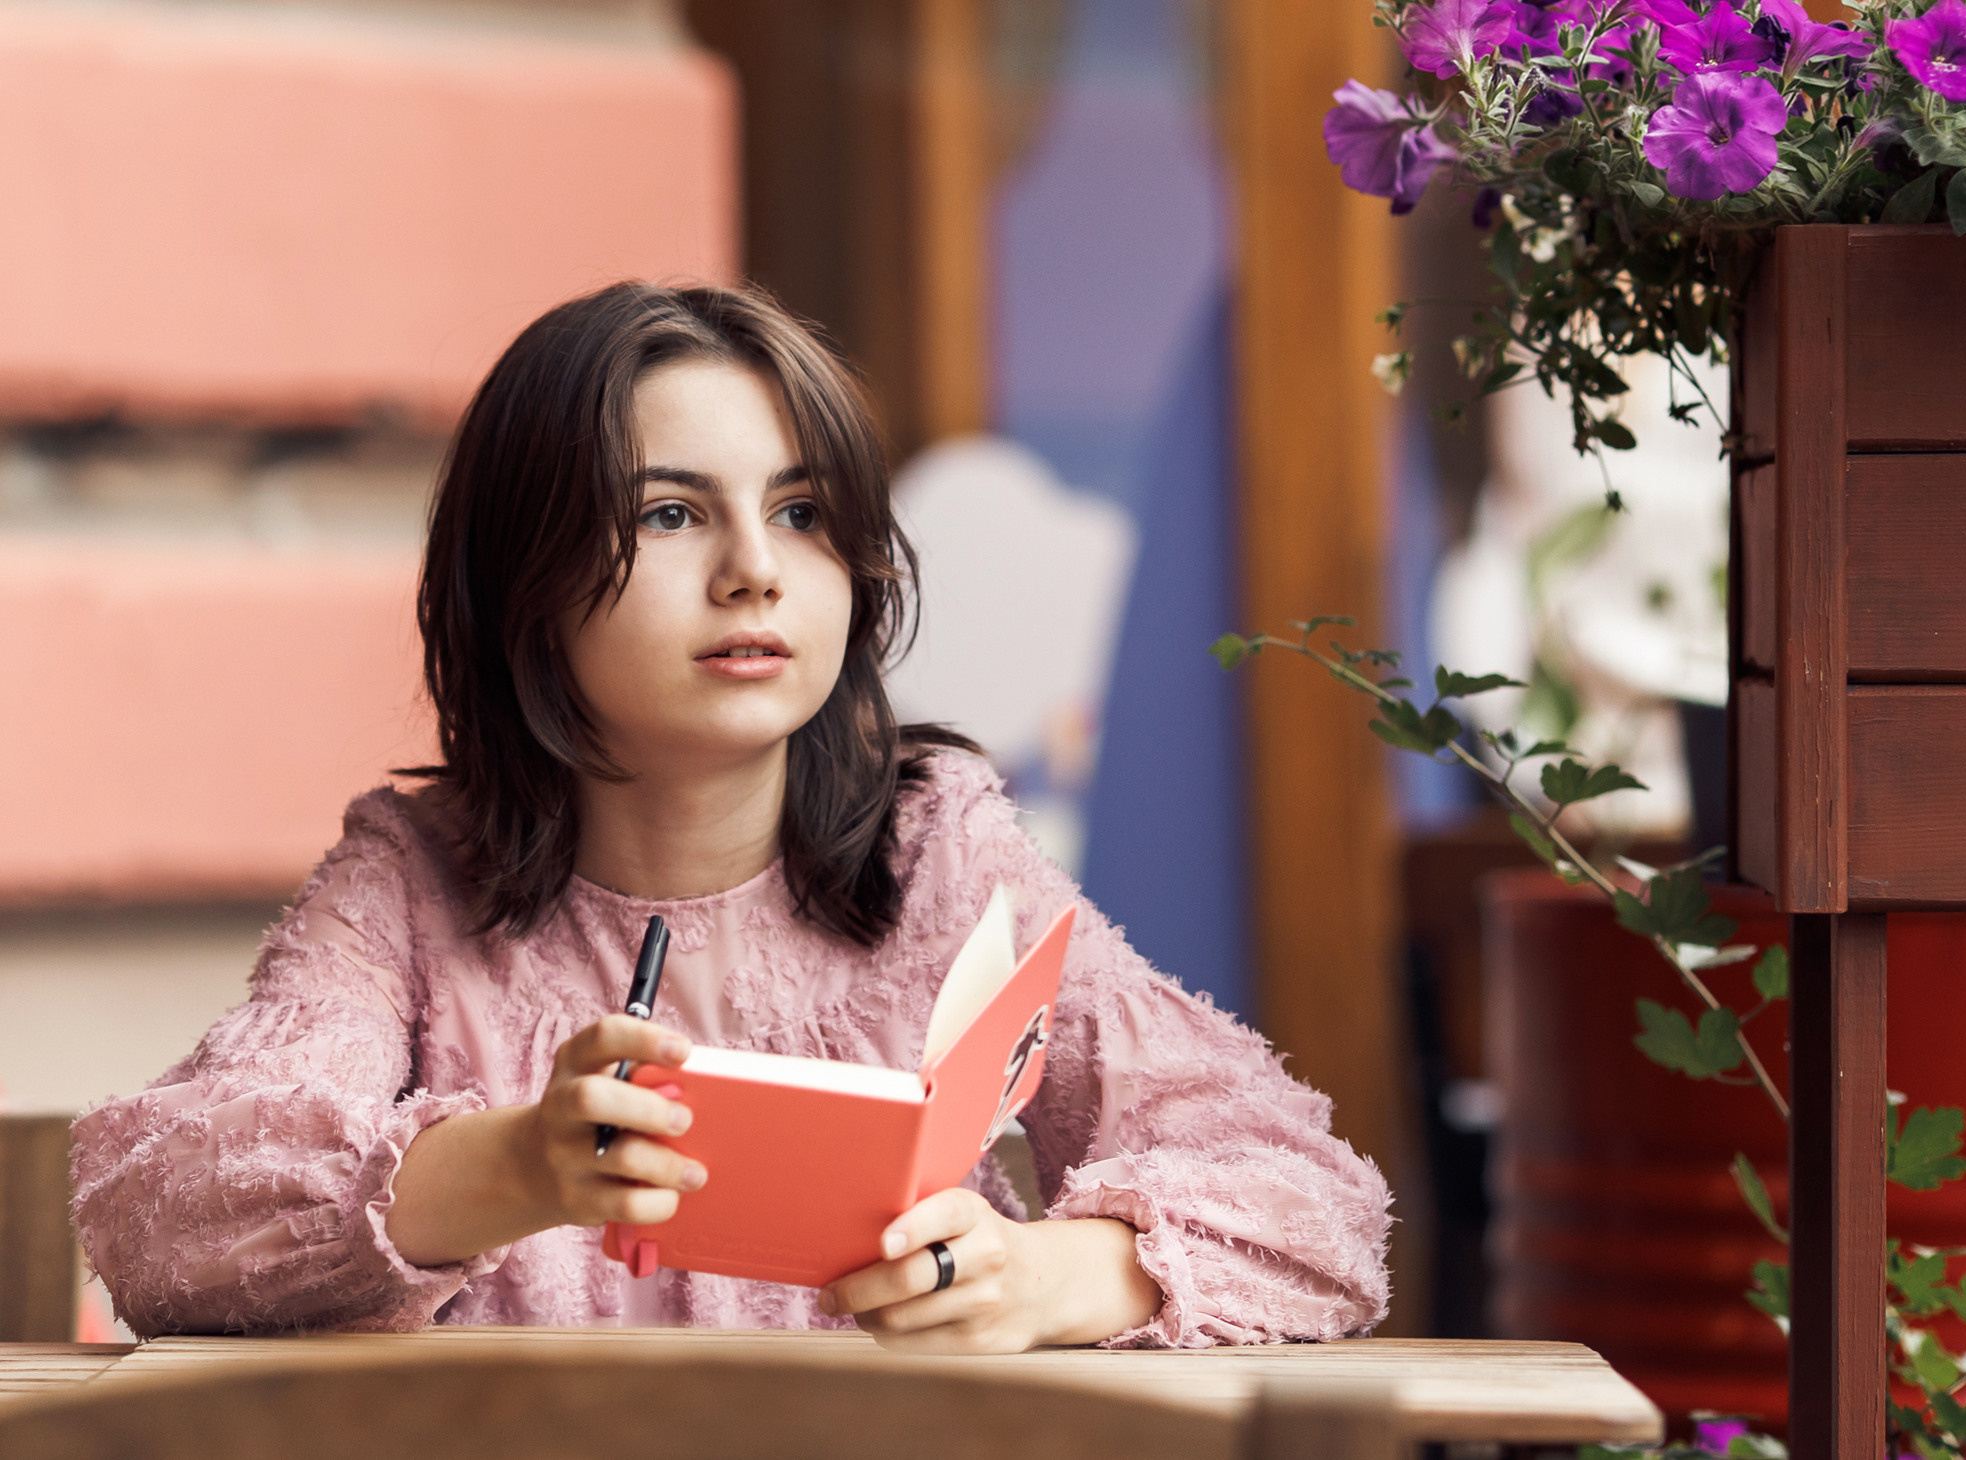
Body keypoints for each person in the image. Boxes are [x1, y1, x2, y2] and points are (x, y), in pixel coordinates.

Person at [70, 283, 1392, 1349]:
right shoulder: (411, 885)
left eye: (803, 513)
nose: (757, 572)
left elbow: (1311, 1199)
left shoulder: (936, 856)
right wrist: (520, 1164)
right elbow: (159, 1220)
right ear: (523, 579)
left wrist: (1048, 1278)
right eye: (669, 514)